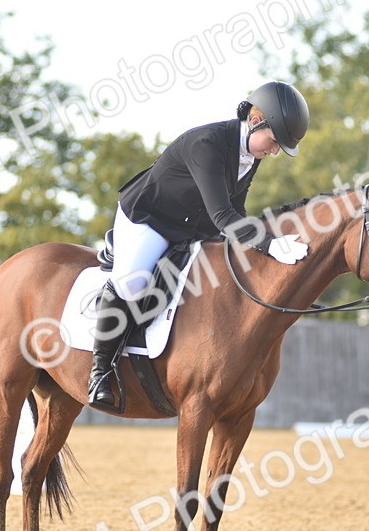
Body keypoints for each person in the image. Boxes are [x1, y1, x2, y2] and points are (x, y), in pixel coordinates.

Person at [87, 80, 311, 411]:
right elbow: (223, 216)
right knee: (133, 283)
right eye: (275, 142)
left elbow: (237, 210)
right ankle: (100, 372)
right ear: (255, 120)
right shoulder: (208, 144)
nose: (274, 151)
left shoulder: (251, 152)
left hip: (193, 227)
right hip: (151, 218)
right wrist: (269, 245)